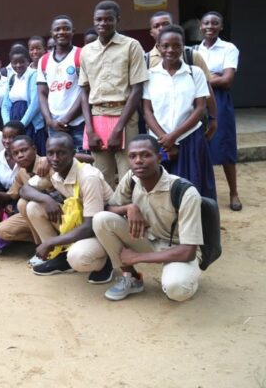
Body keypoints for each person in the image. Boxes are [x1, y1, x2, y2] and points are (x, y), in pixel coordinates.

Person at [94, 135, 205, 302]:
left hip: (177, 249)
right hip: (146, 239)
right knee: (101, 219)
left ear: (159, 158)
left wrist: (136, 258)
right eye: (132, 156)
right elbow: (108, 208)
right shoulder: (131, 178)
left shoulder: (185, 192)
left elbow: (188, 251)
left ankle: (188, 279)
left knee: (177, 289)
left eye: (145, 155)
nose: (138, 161)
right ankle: (131, 278)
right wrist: (129, 207)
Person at [20, 134, 114, 283]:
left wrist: (51, 242)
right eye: (50, 153)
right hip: (81, 221)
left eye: (61, 153)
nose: (55, 158)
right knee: (33, 207)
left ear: (72, 153)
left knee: (77, 257)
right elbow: (24, 189)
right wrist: (47, 199)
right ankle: (60, 258)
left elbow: (90, 226)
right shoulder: (55, 170)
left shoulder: (88, 177)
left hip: (101, 231)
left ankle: (104, 262)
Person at [80, 0, 148, 186]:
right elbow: (84, 91)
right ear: (93, 21)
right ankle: (107, 215)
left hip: (124, 116)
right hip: (97, 117)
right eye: (98, 19)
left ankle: (129, 213)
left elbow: (137, 89)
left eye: (108, 19)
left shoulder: (131, 46)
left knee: (129, 175)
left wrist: (118, 129)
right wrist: (90, 129)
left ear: (117, 20)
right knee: (102, 178)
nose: (103, 24)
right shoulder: (86, 51)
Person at [143, 25, 216, 199]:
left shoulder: (194, 72)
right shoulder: (149, 75)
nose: (171, 50)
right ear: (158, 47)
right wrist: (164, 138)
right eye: (166, 45)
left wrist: (173, 136)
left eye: (176, 45)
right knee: (162, 190)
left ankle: (197, 224)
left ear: (183, 46)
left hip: (189, 138)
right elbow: (147, 110)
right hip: (159, 141)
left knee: (193, 187)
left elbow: (200, 107)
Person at [146, 11, 217, 141]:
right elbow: (146, 107)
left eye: (166, 24)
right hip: (158, 132)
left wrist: (213, 118)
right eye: (157, 26)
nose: (162, 28)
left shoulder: (191, 56)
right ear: (151, 32)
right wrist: (164, 137)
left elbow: (207, 90)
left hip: (189, 131)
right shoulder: (145, 61)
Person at [196, 11, 241, 211]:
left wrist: (204, 80)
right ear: (200, 26)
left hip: (220, 101)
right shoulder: (195, 50)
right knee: (201, 146)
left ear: (221, 27)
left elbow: (227, 80)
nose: (210, 26)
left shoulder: (229, 48)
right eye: (206, 23)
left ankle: (234, 193)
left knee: (225, 146)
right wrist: (213, 77)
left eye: (215, 23)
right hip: (198, 100)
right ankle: (205, 193)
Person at [0, 136, 48, 254]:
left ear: (34, 149)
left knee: (23, 203)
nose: (20, 155)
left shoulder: (47, 163)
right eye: (16, 153)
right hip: (36, 213)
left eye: (24, 150)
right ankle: (41, 243)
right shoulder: (21, 173)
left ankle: (50, 245)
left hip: (55, 210)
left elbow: (83, 159)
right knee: (3, 230)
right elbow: (10, 196)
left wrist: (48, 159)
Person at [37, 15, 85, 150]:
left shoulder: (81, 55)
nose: (61, 32)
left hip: (78, 123)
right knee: (58, 165)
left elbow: (86, 91)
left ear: (73, 31)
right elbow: (42, 93)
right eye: (57, 29)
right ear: (52, 33)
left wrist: (66, 119)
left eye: (66, 29)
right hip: (54, 125)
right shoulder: (44, 60)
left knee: (82, 164)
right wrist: (49, 121)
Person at [1, 45, 45, 154]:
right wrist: (9, 126)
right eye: (14, 62)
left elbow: (35, 104)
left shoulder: (34, 75)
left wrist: (21, 125)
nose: (18, 65)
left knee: (31, 154)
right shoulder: (11, 79)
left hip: (30, 123)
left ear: (27, 61)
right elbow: (5, 105)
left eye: (21, 62)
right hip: (14, 121)